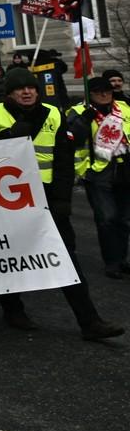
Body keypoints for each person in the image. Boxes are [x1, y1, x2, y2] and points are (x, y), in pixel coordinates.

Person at [0, 68, 123, 340]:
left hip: (47, 196)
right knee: (11, 257)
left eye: (31, 87)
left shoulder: (54, 113)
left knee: (66, 257)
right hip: (7, 201)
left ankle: (89, 322)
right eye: (20, 88)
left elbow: (65, 161)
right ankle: (12, 308)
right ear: (9, 93)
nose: (27, 91)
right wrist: (9, 136)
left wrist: (61, 199)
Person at [66, 76, 130, 279]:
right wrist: (83, 121)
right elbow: (72, 141)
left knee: (125, 219)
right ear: (90, 94)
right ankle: (112, 262)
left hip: (125, 167)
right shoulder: (78, 112)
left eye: (108, 91)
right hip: (98, 171)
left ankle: (121, 259)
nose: (104, 95)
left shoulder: (124, 108)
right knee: (107, 218)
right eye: (99, 92)